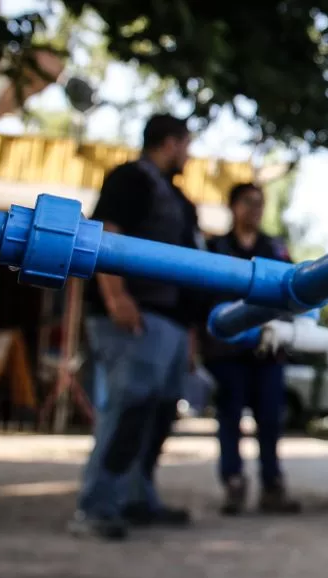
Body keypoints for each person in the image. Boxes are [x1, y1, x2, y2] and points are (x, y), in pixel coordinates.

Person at [71, 113, 204, 540]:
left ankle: (137, 497)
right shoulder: (130, 179)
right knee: (128, 408)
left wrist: (189, 335)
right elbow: (107, 231)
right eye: (186, 144)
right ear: (169, 143)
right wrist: (115, 296)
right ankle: (96, 506)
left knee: (160, 411)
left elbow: (188, 271)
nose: (189, 153)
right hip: (130, 317)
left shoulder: (179, 200)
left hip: (168, 322)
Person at [203, 183, 301, 516]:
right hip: (226, 350)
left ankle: (272, 485)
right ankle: (233, 482)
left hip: (267, 348)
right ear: (232, 206)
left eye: (260, 203)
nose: (255, 209)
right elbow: (199, 296)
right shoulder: (214, 247)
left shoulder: (274, 247)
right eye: (248, 202)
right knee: (229, 418)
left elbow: (292, 290)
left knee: (270, 419)